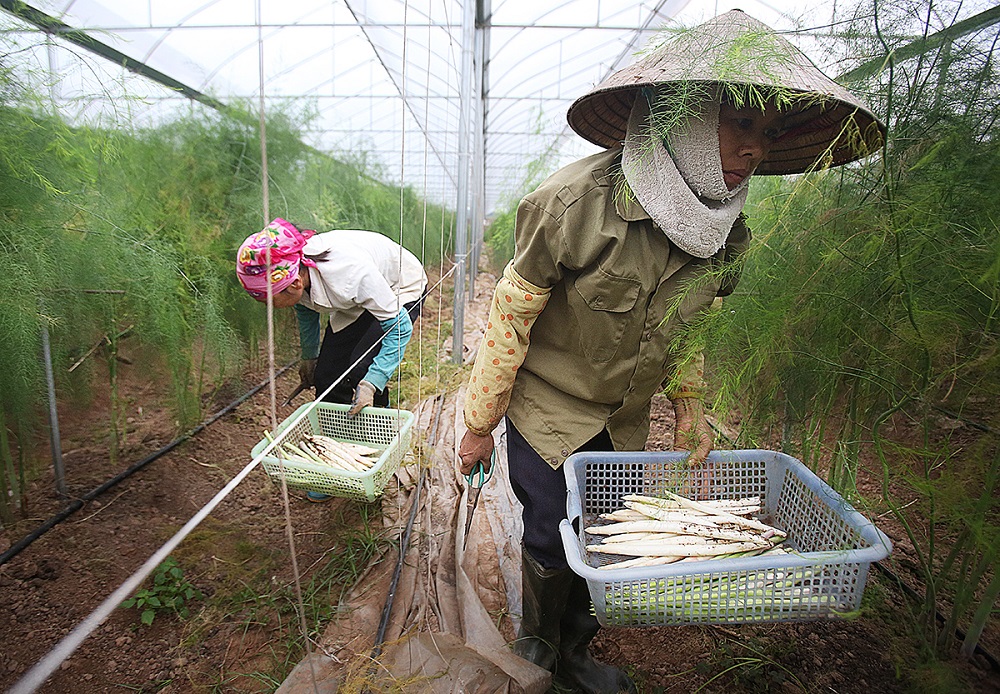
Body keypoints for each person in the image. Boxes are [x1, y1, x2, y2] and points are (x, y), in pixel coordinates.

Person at [457, 10, 884, 694]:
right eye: (740, 123)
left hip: (624, 418)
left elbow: (694, 331)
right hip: (548, 406)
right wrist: (478, 426)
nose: (754, 150)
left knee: (604, 532)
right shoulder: (571, 203)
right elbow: (510, 317)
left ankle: (576, 652)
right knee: (547, 533)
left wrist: (690, 409)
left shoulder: (726, 233)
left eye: (767, 134)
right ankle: (536, 644)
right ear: (679, 118)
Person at [237, 219, 428, 501]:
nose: (267, 307)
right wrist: (310, 357)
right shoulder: (296, 277)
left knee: (362, 368)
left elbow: (399, 328)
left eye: (268, 300)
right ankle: (338, 458)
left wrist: (372, 382)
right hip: (354, 299)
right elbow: (305, 310)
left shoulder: (350, 272)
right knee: (328, 375)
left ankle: (380, 446)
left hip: (398, 286)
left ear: (295, 282)